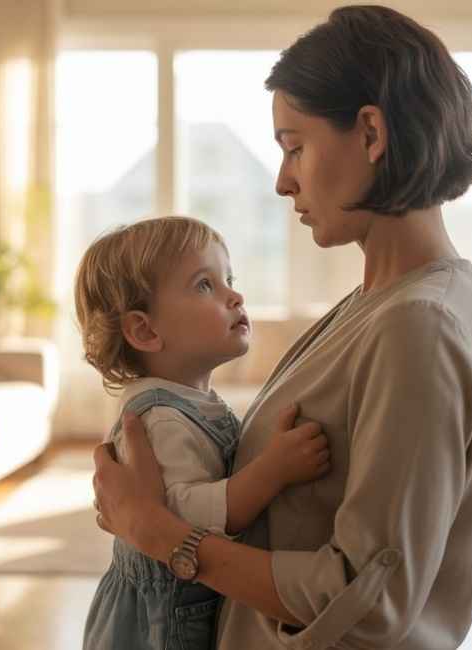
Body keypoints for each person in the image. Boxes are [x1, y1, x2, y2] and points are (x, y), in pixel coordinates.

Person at [91, 6, 472, 649]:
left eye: (295, 147)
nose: (284, 181)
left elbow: (369, 603)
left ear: (371, 133)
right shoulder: (378, 302)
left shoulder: (419, 326)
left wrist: (157, 533)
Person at [74, 216, 331, 650]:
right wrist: (273, 470)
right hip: (160, 624)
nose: (235, 295)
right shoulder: (160, 419)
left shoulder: (191, 402)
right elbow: (182, 513)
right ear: (145, 330)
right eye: (204, 285)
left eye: (227, 278)